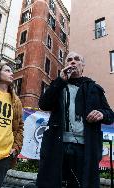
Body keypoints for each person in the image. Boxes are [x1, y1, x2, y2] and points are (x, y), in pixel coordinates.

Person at [36, 52, 114, 188]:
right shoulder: (58, 85)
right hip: (58, 145)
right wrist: (60, 81)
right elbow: (44, 104)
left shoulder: (94, 88)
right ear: (65, 65)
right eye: (69, 59)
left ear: (82, 66)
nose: (73, 62)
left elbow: (110, 115)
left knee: (81, 184)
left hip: (85, 147)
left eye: (77, 59)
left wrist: (101, 113)